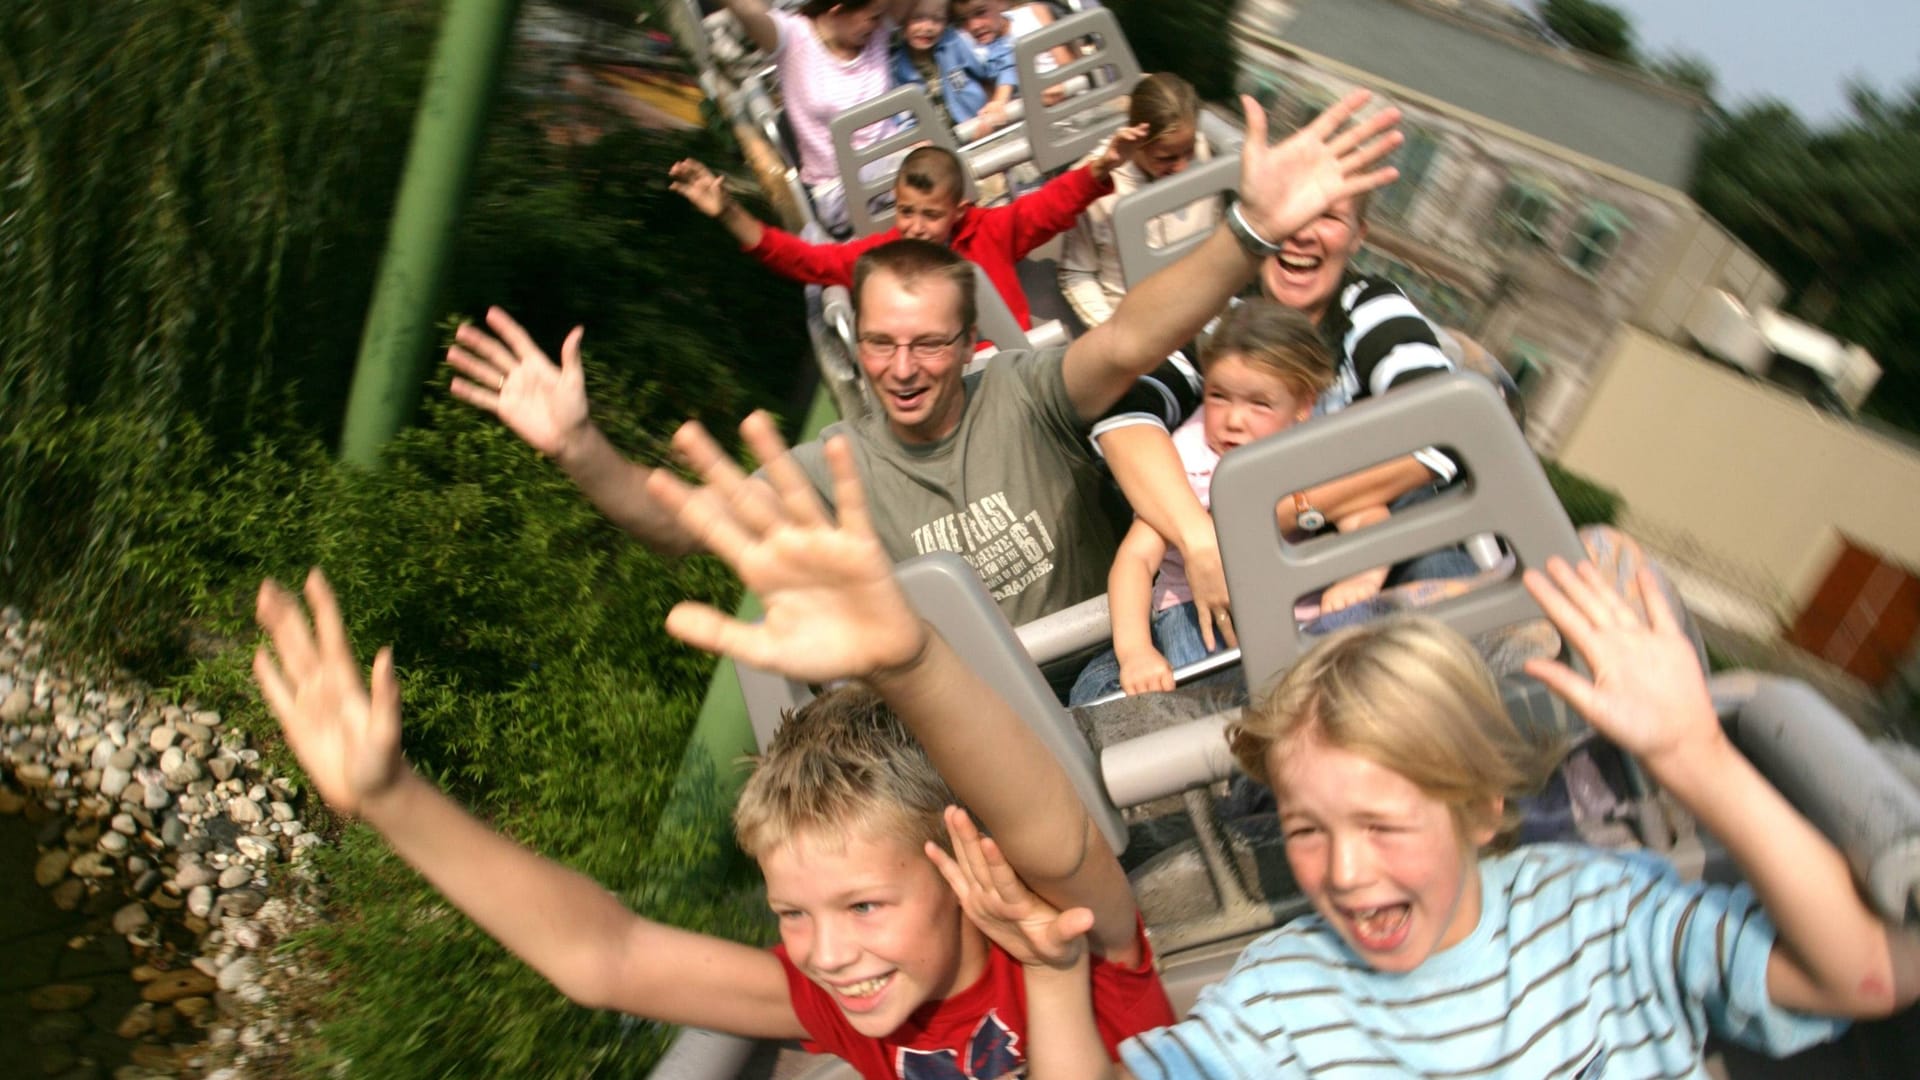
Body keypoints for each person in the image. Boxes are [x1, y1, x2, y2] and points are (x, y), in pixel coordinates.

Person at [247, 425, 1173, 1080]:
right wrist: (393, 798)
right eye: (792, 913)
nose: (828, 952)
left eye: (862, 904)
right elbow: (604, 956)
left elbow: (1053, 839)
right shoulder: (843, 1001)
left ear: (965, 863)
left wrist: (911, 660)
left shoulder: (1072, 936)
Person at [452, 90, 1406, 634]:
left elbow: (1128, 338)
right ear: (855, 348)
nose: (903, 368)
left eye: (928, 344)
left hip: (1116, 643)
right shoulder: (847, 466)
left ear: (968, 341)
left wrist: (1247, 233)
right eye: (880, 344)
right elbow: (685, 525)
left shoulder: (1024, 392)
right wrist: (580, 448)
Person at [933, 559, 1920, 1078]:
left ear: (1483, 806)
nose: (1347, 872)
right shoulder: (1285, 1000)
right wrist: (1057, 981)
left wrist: (1698, 758)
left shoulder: (1604, 914)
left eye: (1384, 824)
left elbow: (1868, 974)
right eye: (1307, 829)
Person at [1070, 300, 1393, 704]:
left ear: (1304, 406)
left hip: (1303, 607)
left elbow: (1367, 517)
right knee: (1225, 695)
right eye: (1219, 396)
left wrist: (1361, 579)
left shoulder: (1315, 451)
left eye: (1259, 403)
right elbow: (1135, 561)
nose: (1233, 420)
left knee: (1367, 638)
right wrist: (1136, 652)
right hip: (1200, 613)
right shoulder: (1187, 459)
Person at [669, 137, 1138, 332]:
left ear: (957, 211)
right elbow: (806, 260)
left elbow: (1050, 206)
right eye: (905, 211)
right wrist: (729, 211)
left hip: (1016, 363)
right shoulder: (884, 256)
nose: (915, 225)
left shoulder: (991, 232)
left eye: (930, 215)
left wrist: (1100, 165)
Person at [716, 0, 916, 233]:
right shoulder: (794, 38)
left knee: (933, 166)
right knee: (926, 165)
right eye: (872, 16)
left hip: (894, 167)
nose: (879, 22)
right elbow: (746, 9)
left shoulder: (877, 31)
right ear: (837, 9)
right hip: (839, 188)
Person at [1059, 73, 1220, 330]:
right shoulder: (1094, 184)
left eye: (1188, 151)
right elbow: (1078, 273)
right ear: (1137, 140)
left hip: (1203, 313)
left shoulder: (1202, 152)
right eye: (1166, 157)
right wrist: (1110, 333)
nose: (1181, 167)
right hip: (1135, 331)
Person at [890, 0, 1017, 137]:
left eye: (938, 19)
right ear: (901, 20)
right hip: (939, 146)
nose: (928, 27)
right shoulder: (896, 67)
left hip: (978, 128)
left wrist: (999, 101)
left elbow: (1004, 61)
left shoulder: (956, 41)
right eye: (918, 18)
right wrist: (916, 140)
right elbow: (903, 116)